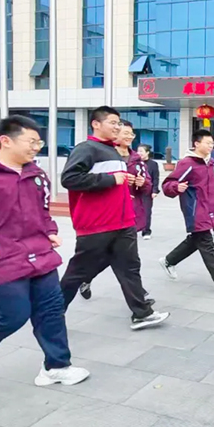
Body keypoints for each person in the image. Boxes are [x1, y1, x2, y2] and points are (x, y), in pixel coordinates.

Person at [0, 115, 89, 391]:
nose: (36, 147)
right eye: (31, 141)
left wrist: (49, 230)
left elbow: (42, 210)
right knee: (10, 316)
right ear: (5, 140)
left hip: (39, 255)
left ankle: (57, 366)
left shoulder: (36, 175)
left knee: (51, 311)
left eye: (39, 142)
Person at [59, 106, 169, 330]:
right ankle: (51, 314)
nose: (118, 127)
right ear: (96, 124)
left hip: (123, 222)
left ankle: (142, 313)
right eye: (113, 122)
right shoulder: (86, 149)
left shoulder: (113, 151)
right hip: (97, 224)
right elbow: (69, 179)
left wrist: (125, 181)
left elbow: (115, 181)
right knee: (78, 272)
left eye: (119, 123)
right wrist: (112, 179)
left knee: (130, 267)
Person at [76, 120, 152, 302]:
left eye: (131, 134)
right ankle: (83, 278)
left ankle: (139, 302)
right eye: (124, 133)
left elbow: (147, 184)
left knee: (128, 261)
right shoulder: (102, 156)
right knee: (107, 257)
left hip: (128, 215)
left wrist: (143, 184)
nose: (128, 137)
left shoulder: (136, 159)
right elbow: (79, 181)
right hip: (105, 216)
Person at [159, 130, 214, 292]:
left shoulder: (211, 162)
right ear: (196, 144)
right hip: (195, 210)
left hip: (210, 208)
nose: (211, 146)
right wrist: (175, 187)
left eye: (212, 143)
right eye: (207, 143)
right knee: (206, 243)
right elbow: (167, 184)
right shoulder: (187, 163)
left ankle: (168, 261)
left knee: (195, 241)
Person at [138, 144, 160, 240]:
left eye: (141, 151)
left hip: (147, 191)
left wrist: (154, 190)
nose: (139, 153)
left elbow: (156, 178)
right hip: (136, 191)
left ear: (147, 153)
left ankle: (146, 231)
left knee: (146, 212)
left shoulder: (153, 164)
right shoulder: (134, 163)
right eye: (138, 151)